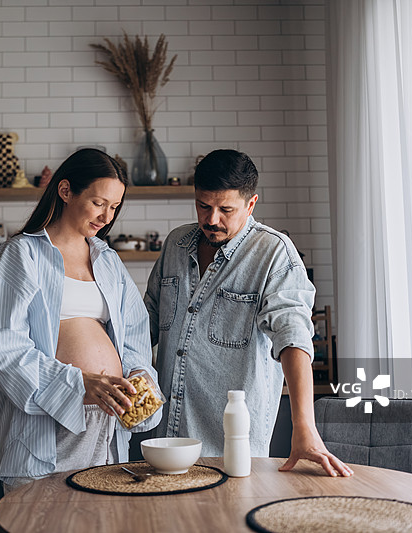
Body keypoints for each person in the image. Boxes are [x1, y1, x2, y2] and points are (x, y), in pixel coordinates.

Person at [144, 149, 352, 477]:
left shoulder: (273, 254)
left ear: (250, 204)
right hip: (164, 446)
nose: (212, 219)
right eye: (203, 206)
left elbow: (293, 336)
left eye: (226, 209)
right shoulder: (175, 245)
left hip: (231, 453)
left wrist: (305, 428)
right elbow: (147, 322)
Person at [0, 148, 161, 493]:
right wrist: (80, 383)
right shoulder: (22, 255)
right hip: (49, 427)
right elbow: (5, 348)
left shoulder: (107, 260)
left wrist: (138, 377)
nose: (107, 216)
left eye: (114, 207)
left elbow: (134, 337)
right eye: (98, 203)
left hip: (105, 426)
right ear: (65, 191)